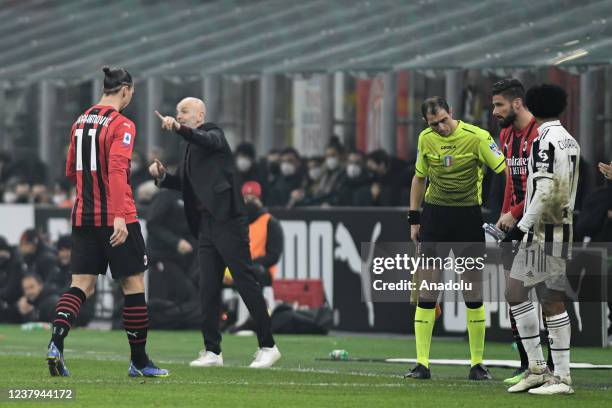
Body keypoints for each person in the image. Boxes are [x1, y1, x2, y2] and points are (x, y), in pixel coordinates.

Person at [46, 66, 168, 378]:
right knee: (133, 284)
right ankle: (139, 361)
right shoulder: (122, 124)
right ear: (125, 90)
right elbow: (116, 171)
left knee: (81, 285)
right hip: (117, 216)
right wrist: (117, 217)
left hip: (83, 215)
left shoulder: (80, 121)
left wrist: (89, 195)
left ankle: (56, 342)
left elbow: (71, 168)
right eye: (132, 93)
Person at [150, 97, 280, 368]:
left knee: (244, 280)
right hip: (206, 225)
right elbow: (185, 184)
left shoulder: (214, 134)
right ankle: (212, 351)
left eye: (184, 111)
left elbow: (208, 141)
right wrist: (163, 177)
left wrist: (177, 128)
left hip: (227, 220)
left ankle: (268, 345)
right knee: (207, 287)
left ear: (200, 115)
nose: (179, 115)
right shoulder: (187, 146)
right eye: (177, 112)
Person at [406, 96, 506, 381]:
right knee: (427, 293)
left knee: (472, 294)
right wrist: (414, 219)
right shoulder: (425, 139)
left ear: (452, 112)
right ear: (427, 124)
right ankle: (421, 364)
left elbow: (503, 171)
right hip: (435, 218)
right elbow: (419, 177)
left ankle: (477, 364)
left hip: (467, 218)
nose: (441, 128)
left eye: (443, 121)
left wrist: (505, 210)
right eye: (434, 124)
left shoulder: (478, 137)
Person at [502, 84, 579, 395]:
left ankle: (561, 377)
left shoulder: (543, 141)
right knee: (515, 291)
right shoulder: (569, 139)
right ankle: (536, 369)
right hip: (554, 227)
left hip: (547, 230)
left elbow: (545, 190)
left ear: (532, 106)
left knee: (551, 300)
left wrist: (522, 226)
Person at [491, 78, 553, 385]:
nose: (494, 111)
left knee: (543, 294)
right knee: (515, 295)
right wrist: (505, 215)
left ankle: (551, 365)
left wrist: (514, 215)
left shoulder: (540, 135)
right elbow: (510, 182)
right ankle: (526, 363)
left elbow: (538, 187)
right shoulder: (505, 135)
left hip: (538, 226)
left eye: (498, 105)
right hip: (514, 226)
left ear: (517, 103)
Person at [227, 181, 284, 332]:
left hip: (262, 270)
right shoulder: (239, 223)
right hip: (241, 267)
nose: (249, 203)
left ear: (260, 200)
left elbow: (274, 256)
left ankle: (255, 320)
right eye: (246, 198)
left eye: (253, 198)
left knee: (252, 273)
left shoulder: (270, 222)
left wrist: (248, 263)